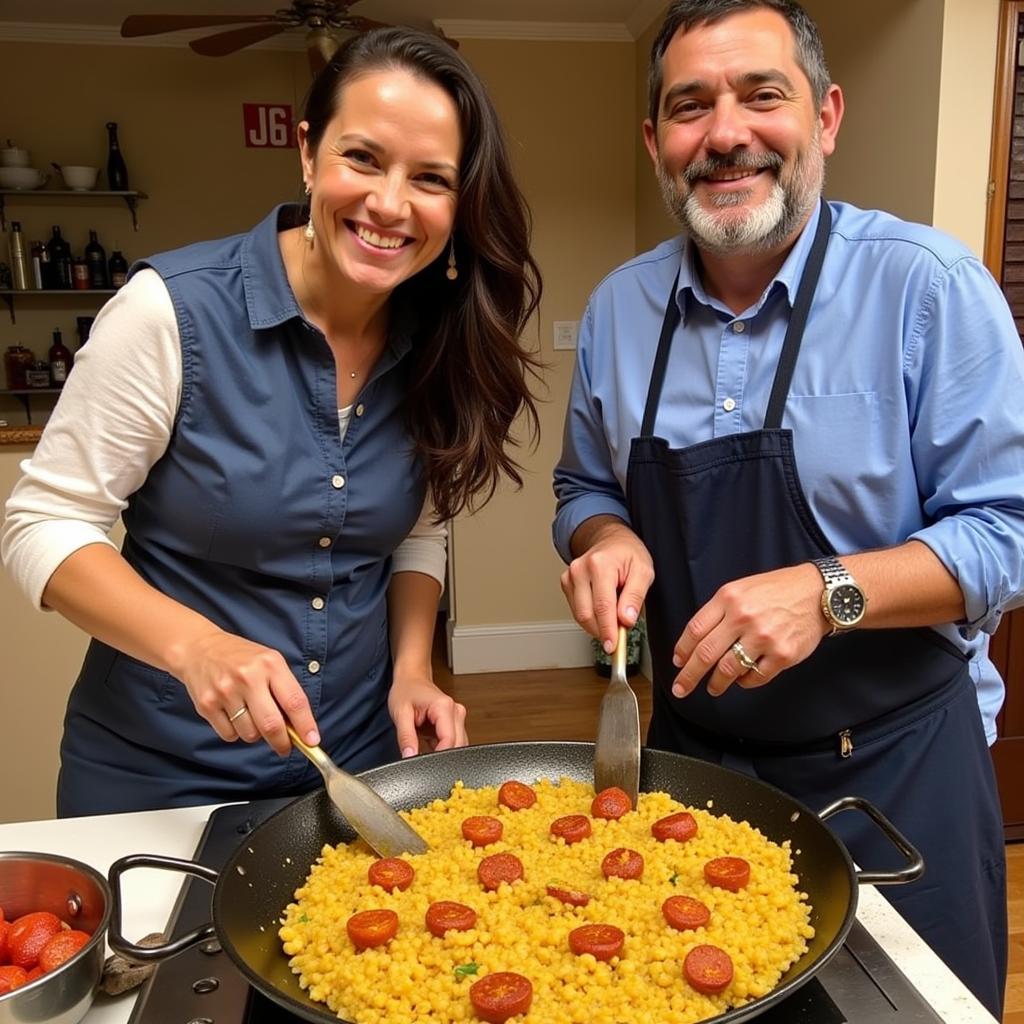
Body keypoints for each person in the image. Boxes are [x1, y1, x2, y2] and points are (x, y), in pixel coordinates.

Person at [552, 0, 1024, 1016]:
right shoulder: (617, 311)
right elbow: (583, 486)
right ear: (653, 142)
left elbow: (1009, 533)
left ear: (826, 117)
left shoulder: (927, 289)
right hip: (690, 779)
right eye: (689, 107)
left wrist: (830, 591)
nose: (725, 133)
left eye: (761, 95)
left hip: (895, 777)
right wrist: (602, 534)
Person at [2, 27, 542, 819]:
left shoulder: (439, 339)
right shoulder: (169, 312)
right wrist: (197, 647)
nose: (390, 204)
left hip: (356, 766)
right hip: (161, 775)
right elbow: (43, 523)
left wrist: (414, 670)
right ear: (307, 152)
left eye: (430, 178)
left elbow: (419, 532)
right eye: (362, 158)